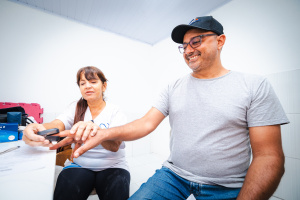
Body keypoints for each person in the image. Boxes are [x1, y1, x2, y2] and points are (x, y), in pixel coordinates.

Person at [55, 16, 289, 199]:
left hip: (226, 184)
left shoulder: (253, 86)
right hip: (174, 175)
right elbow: (145, 123)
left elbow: (269, 156)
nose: (188, 50)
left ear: (220, 41)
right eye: (184, 45)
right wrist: (104, 133)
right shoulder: (173, 87)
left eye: (196, 41)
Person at [22, 66, 130, 200]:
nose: (87, 86)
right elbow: (57, 124)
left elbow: (114, 146)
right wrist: (38, 127)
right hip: (80, 164)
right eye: (82, 83)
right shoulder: (75, 107)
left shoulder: (115, 111)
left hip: (113, 166)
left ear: (104, 86)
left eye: (93, 82)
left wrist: (96, 130)